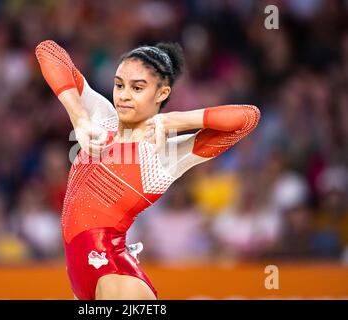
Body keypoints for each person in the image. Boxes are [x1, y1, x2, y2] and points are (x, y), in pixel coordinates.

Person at [35, 40, 260, 300]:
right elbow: (48, 51)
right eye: (119, 84)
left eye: (137, 87)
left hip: (116, 277)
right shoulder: (102, 117)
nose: (124, 95)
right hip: (85, 278)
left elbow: (247, 118)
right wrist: (79, 117)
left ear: (162, 93)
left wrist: (174, 120)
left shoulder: (167, 153)